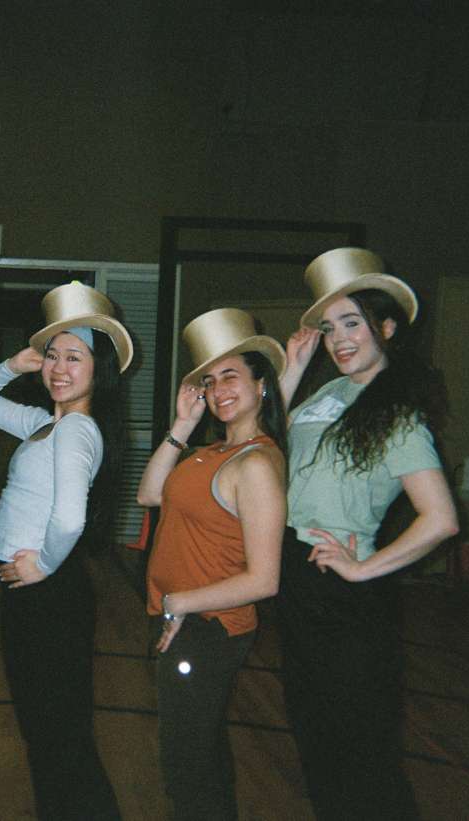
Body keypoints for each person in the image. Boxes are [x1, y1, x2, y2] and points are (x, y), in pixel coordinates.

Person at [275, 247, 459, 820]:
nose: (338, 338)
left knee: (363, 747)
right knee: (314, 733)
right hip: (295, 573)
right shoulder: (325, 394)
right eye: (329, 328)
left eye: (352, 323)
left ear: (386, 326)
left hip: (344, 589)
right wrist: (293, 370)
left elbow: (442, 518)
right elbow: (261, 447)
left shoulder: (396, 412)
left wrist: (361, 568)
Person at [0, 281, 132, 820]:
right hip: (36, 591)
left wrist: (40, 565)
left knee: (59, 739)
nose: (59, 368)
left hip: (48, 593)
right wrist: (16, 364)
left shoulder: (77, 431)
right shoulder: (47, 424)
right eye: (53, 356)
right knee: (50, 735)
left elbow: (70, 517)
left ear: (98, 369)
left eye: (75, 357)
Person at [136, 308, 288, 821]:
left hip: (208, 626)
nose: (219, 388)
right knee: (202, 752)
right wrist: (182, 426)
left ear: (261, 385)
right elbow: (149, 493)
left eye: (232, 375)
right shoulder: (211, 451)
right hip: (182, 620)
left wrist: (181, 602)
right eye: (210, 379)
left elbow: (264, 580)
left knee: (186, 763)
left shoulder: (257, 464)